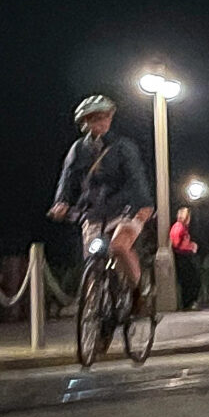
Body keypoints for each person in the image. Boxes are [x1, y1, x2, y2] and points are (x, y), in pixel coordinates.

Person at [49, 94, 156, 311]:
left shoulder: (123, 147)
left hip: (126, 208)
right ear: (84, 123)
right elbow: (67, 177)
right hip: (93, 211)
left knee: (118, 247)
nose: (101, 122)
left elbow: (136, 178)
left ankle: (138, 293)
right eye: (94, 118)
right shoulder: (78, 149)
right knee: (92, 261)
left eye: (105, 117)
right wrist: (60, 202)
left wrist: (144, 205)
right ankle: (95, 313)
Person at [168, 207, 202, 310]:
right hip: (183, 256)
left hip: (185, 255)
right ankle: (189, 303)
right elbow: (176, 243)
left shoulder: (183, 227)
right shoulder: (179, 227)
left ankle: (190, 302)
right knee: (190, 280)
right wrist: (190, 247)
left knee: (192, 280)